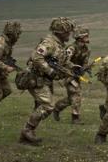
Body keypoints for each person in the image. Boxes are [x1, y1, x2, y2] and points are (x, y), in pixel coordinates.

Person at [19, 17, 75, 146]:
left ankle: (26, 136)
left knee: (44, 106)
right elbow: (36, 57)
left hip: (44, 80)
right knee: (48, 106)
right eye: (67, 32)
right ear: (60, 32)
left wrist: (72, 67)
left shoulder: (59, 45)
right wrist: (50, 71)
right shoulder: (49, 43)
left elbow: (63, 60)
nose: (69, 35)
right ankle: (27, 130)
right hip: (36, 79)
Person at [53, 25, 91, 124]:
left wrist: (85, 68)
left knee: (71, 99)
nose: (88, 37)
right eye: (86, 36)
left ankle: (57, 108)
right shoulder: (71, 48)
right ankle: (75, 118)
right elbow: (64, 61)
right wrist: (74, 66)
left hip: (77, 76)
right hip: (68, 75)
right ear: (80, 37)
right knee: (77, 94)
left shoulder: (86, 50)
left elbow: (85, 63)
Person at [0, 22, 22, 119]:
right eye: (17, 34)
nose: (18, 37)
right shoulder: (1, 44)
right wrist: (6, 67)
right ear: (12, 35)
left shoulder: (8, 43)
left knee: (7, 91)